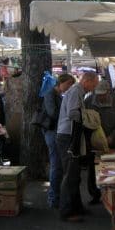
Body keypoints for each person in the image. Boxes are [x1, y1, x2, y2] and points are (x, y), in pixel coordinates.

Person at [56, 71, 99, 222]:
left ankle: (76, 207)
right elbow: (73, 113)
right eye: (94, 84)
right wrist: (87, 118)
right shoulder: (75, 91)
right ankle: (66, 212)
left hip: (71, 136)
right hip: (67, 136)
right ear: (87, 80)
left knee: (74, 174)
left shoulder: (79, 92)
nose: (94, 88)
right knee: (70, 175)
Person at [85, 79, 115, 204]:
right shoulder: (88, 102)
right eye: (98, 94)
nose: (100, 97)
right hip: (93, 143)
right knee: (93, 169)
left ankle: (112, 194)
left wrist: (112, 137)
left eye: (103, 94)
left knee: (112, 168)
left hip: (112, 143)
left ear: (109, 92)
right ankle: (94, 195)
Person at [42, 73, 76, 209]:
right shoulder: (50, 94)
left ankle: (56, 196)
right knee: (56, 165)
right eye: (68, 84)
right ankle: (53, 198)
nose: (69, 87)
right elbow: (53, 113)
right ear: (60, 82)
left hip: (57, 132)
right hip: (52, 132)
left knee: (59, 165)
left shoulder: (59, 95)